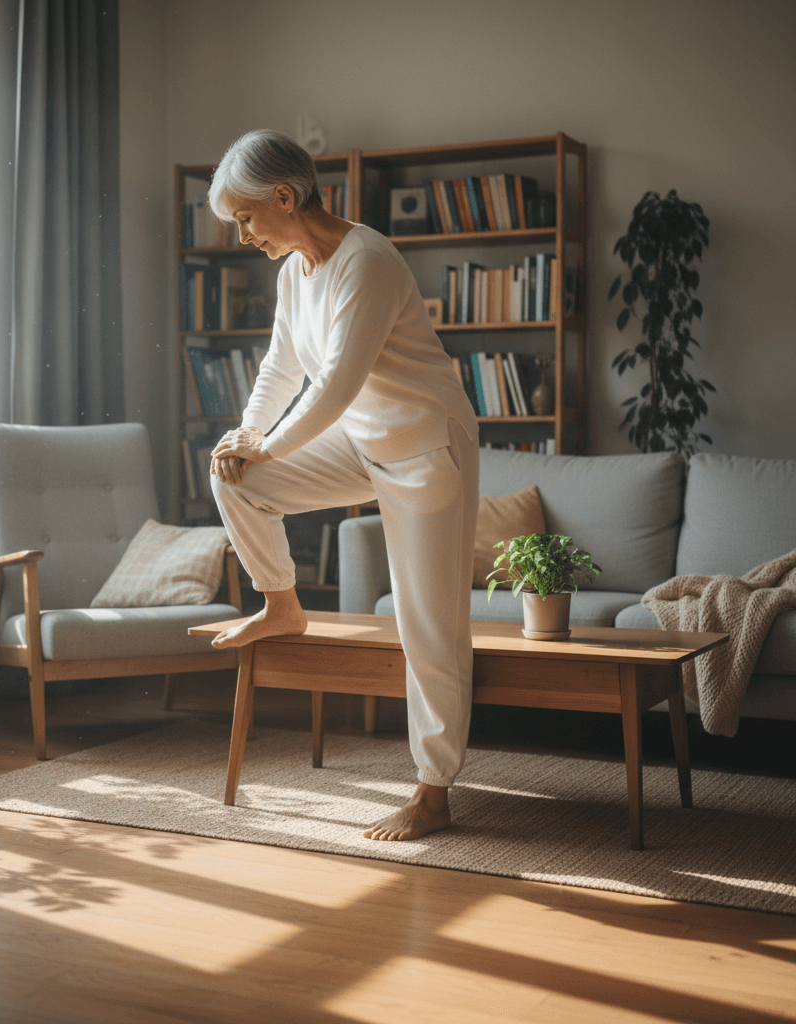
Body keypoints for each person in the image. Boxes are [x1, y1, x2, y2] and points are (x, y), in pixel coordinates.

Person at [204, 129, 479, 842]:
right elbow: (280, 372)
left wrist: (266, 443)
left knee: (428, 623)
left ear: (285, 197)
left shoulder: (370, 260)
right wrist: (245, 438)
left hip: (425, 448)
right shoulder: (294, 272)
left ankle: (433, 792)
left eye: (245, 218)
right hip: (360, 440)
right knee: (233, 476)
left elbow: (334, 385)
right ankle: (282, 604)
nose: (243, 235)